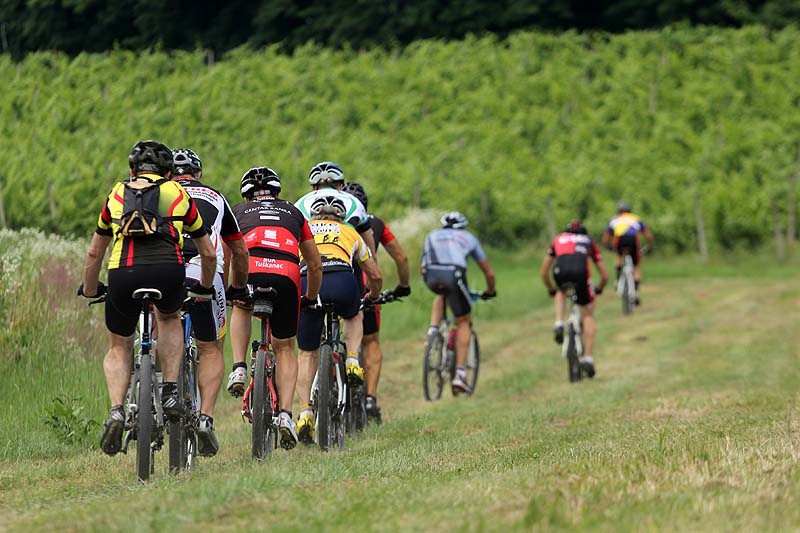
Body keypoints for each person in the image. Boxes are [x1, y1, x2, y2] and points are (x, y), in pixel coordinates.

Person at [79, 140, 217, 456]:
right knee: (168, 317)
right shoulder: (179, 195)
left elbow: (94, 252)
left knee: (118, 345)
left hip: (123, 275)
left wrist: (90, 288)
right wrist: (204, 287)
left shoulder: (116, 194)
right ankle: (170, 390)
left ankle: (116, 410)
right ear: (168, 173)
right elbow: (207, 253)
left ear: (132, 170)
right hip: (168, 272)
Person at [226, 167, 323, 449]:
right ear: (278, 193)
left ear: (246, 196)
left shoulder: (238, 212)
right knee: (284, 347)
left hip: (251, 268)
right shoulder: (294, 212)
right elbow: (314, 264)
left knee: (241, 305)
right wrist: (309, 297)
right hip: (287, 274)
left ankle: (240, 367)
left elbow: (227, 254)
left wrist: (230, 290)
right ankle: (285, 415)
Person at [170, 148, 250, 456]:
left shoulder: (159, 192)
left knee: (161, 327)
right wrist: (236, 289)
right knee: (210, 347)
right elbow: (239, 251)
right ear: (198, 174)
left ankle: (156, 390)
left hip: (166, 268)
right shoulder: (216, 197)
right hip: (205, 272)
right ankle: (205, 417)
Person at [295, 193, 382, 444]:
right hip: (342, 281)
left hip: (310, 282)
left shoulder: (305, 229)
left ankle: (305, 412)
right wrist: (372, 296)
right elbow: (374, 274)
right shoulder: (349, 232)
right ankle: (353, 359)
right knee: (354, 314)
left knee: (306, 353)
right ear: (342, 217)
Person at [342, 182, 410, 423]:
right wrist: (404, 286)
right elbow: (400, 256)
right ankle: (370, 398)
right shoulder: (376, 223)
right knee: (370, 341)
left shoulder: (327, 222)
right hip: (366, 285)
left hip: (332, 281)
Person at [421, 211, 496, 395]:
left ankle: (433, 330)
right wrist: (490, 291)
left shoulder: (431, 235)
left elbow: (422, 266)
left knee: (442, 293)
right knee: (464, 321)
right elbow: (489, 272)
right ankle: (460, 374)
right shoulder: (468, 237)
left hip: (430, 275)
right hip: (454, 275)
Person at [540, 220, 609, 377]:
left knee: (561, 290)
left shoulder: (558, 238)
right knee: (588, 314)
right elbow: (604, 275)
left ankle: (559, 322)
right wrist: (599, 288)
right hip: (581, 274)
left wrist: (551, 289)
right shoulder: (589, 241)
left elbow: (544, 272)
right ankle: (588, 359)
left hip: (560, 272)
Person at [601, 201, 654, 305]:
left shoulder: (614, 219)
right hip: (632, 242)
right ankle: (636, 293)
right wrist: (649, 247)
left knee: (618, 256)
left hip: (620, 241)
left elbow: (605, 239)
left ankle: (617, 280)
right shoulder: (635, 218)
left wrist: (609, 247)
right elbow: (649, 236)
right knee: (636, 267)